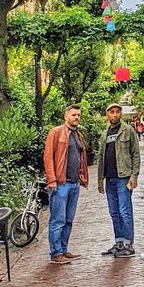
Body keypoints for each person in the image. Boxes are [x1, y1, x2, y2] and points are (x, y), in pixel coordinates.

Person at [43, 104, 89, 264]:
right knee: (58, 219)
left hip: (74, 183)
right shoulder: (55, 133)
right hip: (60, 184)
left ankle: (63, 249)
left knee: (69, 219)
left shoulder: (78, 135)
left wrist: (82, 178)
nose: (76, 117)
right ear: (66, 116)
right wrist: (52, 179)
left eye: (78, 115)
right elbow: (48, 157)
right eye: (74, 115)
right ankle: (56, 253)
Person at [97, 101, 140, 256]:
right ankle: (118, 242)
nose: (115, 114)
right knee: (114, 212)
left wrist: (134, 175)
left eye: (117, 112)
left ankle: (129, 244)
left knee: (124, 210)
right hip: (110, 179)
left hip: (123, 177)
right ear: (107, 114)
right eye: (111, 112)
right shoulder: (105, 134)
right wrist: (100, 180)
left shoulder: (128, 131)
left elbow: (135, 153)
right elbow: (101, 157)